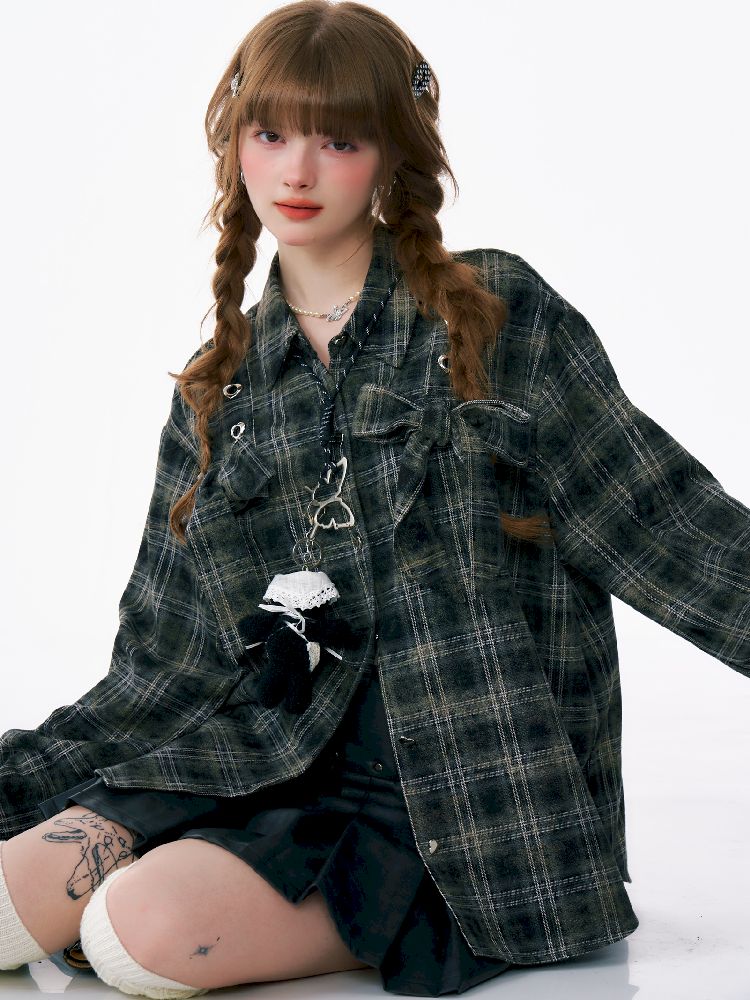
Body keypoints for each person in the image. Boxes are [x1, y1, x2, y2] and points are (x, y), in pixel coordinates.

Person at [1, 0, 748, 997]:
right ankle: (192, 862)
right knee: (11, 896)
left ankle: (293, 901)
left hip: (463, 796)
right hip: (261, 757)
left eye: (339, 141)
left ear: (392, 152)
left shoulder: (493, 318)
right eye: (272, 135)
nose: (298, 173)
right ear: (234, 144)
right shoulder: (219, 390)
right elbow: (161, 664)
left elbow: (666, 523)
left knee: (131, 939)